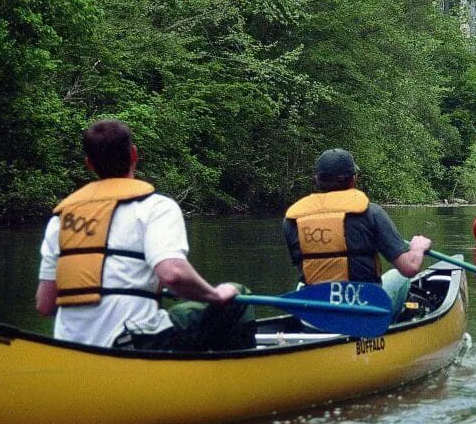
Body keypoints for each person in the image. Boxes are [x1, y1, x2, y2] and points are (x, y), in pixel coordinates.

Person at [36, 120, 255, 351]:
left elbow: (45, 305)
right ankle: (233, 376)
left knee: (173, 313)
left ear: (89, 164)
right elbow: (174, 274)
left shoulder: (59, 221)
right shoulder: (155, 207)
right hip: (132, 342)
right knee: (236, 295)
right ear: (133, 154)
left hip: (71, 347)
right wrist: (215, 295)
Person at [283, 148, 432, 318]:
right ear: (353, 180)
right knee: (400, 277)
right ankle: (395, 326)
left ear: (316, 180)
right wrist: (417, 248)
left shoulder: (292, 220)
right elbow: (409, 268)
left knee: (301, 287)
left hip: (316, 311)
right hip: (364, 309)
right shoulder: (371, 213)